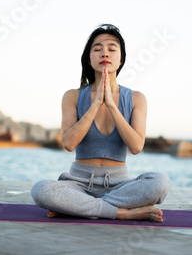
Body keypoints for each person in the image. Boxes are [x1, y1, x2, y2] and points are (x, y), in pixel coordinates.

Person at [31, 24, 170, 222]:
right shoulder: (72, 96)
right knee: (41, 190)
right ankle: (122, 212)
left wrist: (112, 106)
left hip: (119, 184)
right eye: (97, 49)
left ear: (121, 59)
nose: (104, 52)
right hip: (78, 182)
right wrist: (96, 104)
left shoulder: (136, 98)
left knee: (160, 182)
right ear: (89, 58)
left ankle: (79, 207)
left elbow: (137, 146)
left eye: (112, 49)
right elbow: (69, 144)